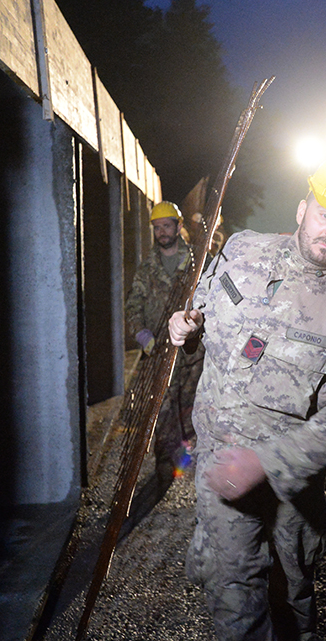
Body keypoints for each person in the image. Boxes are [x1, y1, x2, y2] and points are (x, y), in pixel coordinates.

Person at [168, 159, 326, 641]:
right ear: (303, 209)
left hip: (289, 490)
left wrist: (265, 462)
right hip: (220, 468)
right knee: (236, 596)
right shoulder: (242, 250)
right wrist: (185, 325)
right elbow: (200, 305)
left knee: (291, 599)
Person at [125, 201, 203, 482]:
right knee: (161, 409)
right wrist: (143, 336)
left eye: (166, 225)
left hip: (194, 355)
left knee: (193, 407)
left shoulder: (197, 262)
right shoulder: (147, 268)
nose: (161, 232)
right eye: (157, 228)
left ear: (179, 226)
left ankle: (191, 462)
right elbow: (132, 307)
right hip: (158, 353)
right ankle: (164, 467)